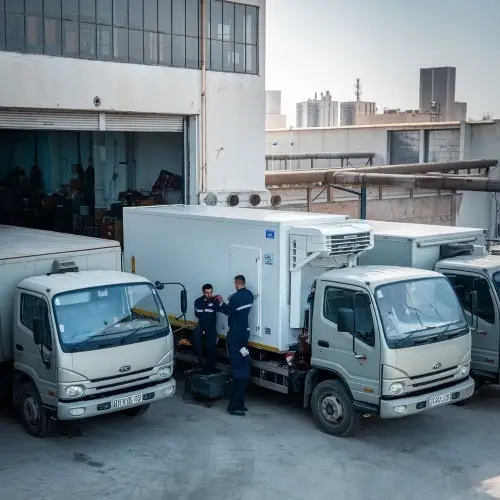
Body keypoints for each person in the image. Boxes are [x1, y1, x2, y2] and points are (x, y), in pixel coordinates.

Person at [218, 275, 254, 415]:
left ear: (237, 283)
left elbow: (228, 311)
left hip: (235, 335)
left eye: (234, 283)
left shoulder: (234, 298)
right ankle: (240, 403)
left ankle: (233, 406)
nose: (234, 285)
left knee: (237, 367)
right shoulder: (250, 295)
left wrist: (221, 302)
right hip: (245, 333)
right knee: (244, 364)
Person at [193, 284, 221, 372]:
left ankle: (210, 369)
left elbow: (223, 309)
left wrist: (220, 301)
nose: (209, 294)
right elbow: (197, 314)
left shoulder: (215, 301)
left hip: (211, 329)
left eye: (210, 292)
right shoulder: (197, 302)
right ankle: (200, 365)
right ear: (203, 292)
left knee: (211, 349)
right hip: (201, 326)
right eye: (207, 293)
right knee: (198, 346)